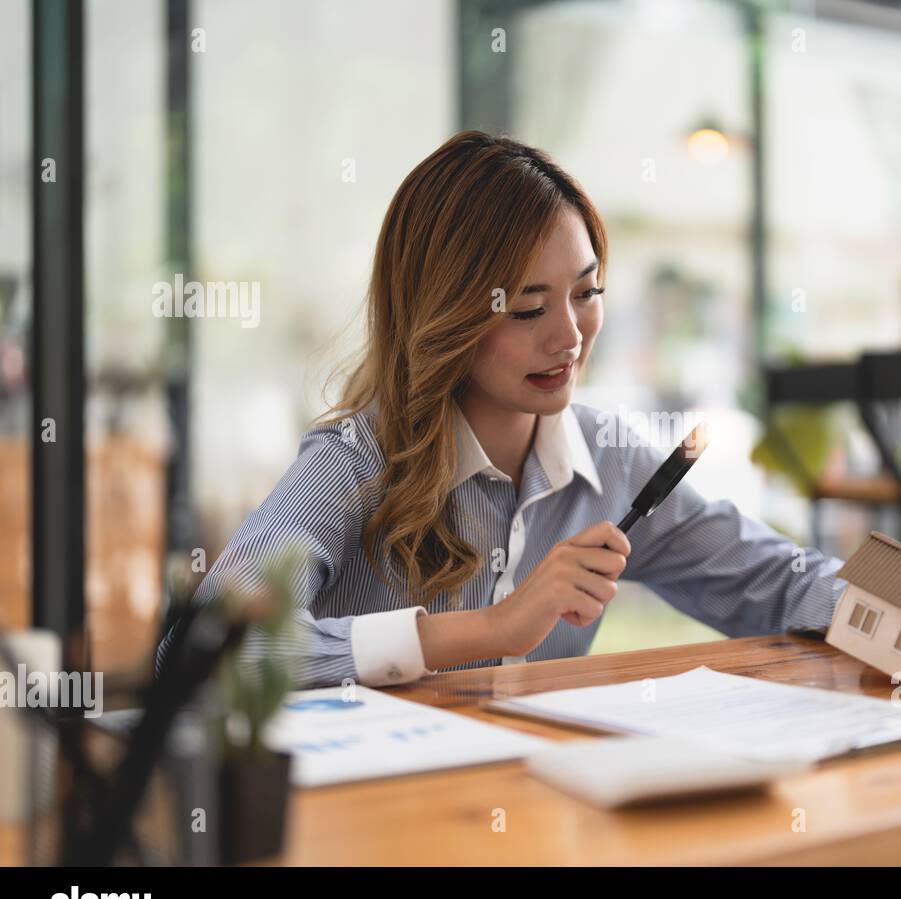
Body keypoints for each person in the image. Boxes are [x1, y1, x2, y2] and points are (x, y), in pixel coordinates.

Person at [156, 130, 846, 688]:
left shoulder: (610, 458)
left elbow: (777, 580)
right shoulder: (354, 463)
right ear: (446, 314)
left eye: (586, 291)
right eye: (527, 308)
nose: (570, 337)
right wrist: (493, 629)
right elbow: (206, 648)